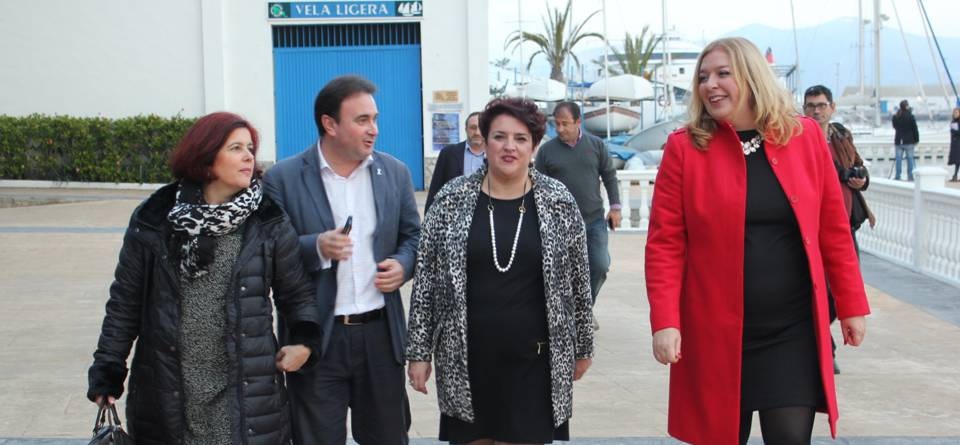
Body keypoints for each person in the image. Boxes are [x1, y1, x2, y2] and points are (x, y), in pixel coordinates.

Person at [645, 37, 871, 445]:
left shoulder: (803, 137)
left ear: (751, 77)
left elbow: (833, 231)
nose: (710, 85)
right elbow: (665, 244)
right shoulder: (685, 148)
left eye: (722, 74)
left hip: (792, 330)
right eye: (703, 77)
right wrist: (665, 321)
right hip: (714, 333)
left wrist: (852, 305)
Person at [87, 112, 321, 445]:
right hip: (170, 389)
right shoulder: (155, 219)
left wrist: (304, 341)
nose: (248, 156)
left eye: (250, 148)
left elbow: (297, 294)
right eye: (235, 148)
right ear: (206, 158)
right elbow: (125, 303)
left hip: (244, 392)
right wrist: (108, 372)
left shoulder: (268, 221)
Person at [406, 97, 594, 445]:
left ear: (535, 145)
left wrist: (583, 346)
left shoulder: (558, 200)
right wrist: (418, 353)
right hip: (466, 359)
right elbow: (426, 284)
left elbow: (579, 282)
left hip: (534, 361)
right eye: (499, 136)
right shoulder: (451, 199)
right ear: (484, 142)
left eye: (521, 138)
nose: (510, 147)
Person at [263, 75, 421, 445]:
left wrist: (402, 264)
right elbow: (269, 252)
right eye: (362, 120)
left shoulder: (394, 173)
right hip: (316, 339)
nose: (374, 130)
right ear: (329, 124)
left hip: (381, 335)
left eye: (375, 119)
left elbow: (413, 237)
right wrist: (316, 246)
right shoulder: (283, 179)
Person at [803, 85, 876, 376]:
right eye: (810, 106)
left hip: (845, 228)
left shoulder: (840, 137)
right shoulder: (798, 138)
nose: (816, 111)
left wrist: (860, 179)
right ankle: (823, 346)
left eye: (821, 105)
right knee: (815, 291)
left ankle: (824, 339)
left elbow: (858, 166)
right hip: (811, 231)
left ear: (832, 107)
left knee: (841, 291)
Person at [535, 101, 621, 329]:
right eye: (556, 124)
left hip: (593, 220)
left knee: (600, 265)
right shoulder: (547, 151)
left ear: (578, 122)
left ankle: (584, 309)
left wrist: (615, 208)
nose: (560, 129)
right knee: (563, 272)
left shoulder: (596, 146)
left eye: (565, 124)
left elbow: (610, 176)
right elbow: (538, 187)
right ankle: (571, 314)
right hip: (559, 224)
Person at [425, 111, 485, 212]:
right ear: (466, 129)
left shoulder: (495, 156)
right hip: (453, 216)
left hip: (484, 215)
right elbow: (436, 187)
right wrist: (429, 215)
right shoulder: (448, 153)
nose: (477, 132)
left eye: (481, 127)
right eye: (473, 127)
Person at [892, 99, 920, 181]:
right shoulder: (910, 116)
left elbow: (895, 126)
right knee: (910, 159)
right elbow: (915, 129)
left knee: (898, 159)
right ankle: (910, 176)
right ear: (907, 106)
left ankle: (897, 176)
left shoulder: (896, 116)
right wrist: (916, 139)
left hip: (898, 141)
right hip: (909, 141)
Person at [949, 107, 960, 182]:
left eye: (957, 113)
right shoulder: (953, 121)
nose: (955, 114)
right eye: (954, 113)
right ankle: (955, 175)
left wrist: (954, 131)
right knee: (957, 161)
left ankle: (955, 175)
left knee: (958, 160)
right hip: (955, 144)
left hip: (958, 143)